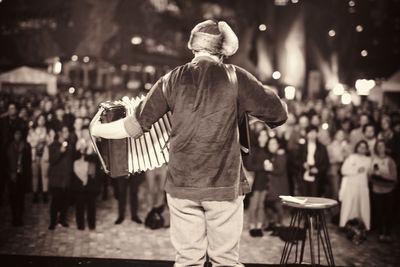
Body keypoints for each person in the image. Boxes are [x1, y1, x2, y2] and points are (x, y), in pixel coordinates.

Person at [92, 20, 287, 267]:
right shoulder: (236, 77)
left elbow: (133, 126)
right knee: (225, 261)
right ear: (222, 50)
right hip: (223, 186)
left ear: (193, 47)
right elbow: (279, 114)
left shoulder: (171, 79)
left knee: (187, 261)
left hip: (182, 184)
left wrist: (97, 129)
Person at [339, 140, 372, 230]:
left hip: (363, 185)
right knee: (348, 204)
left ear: (366, 149)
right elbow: (343, 171)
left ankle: (363, 225)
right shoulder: (351, 157)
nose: (362, 149)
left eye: (364, 147)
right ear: (357, 148)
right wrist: (356, 171)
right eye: (360, 147)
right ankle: (344, 224)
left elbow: (370, 174)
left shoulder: (369, 160)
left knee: (363, 205)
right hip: (351, 184)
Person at [72, 126, 100, 230]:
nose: (85, 135)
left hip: (91, 178)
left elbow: (98, 159)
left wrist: (84, 155)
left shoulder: (95, 144)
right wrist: (81, 151)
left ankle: (91, 224)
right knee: (80, 203)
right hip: (79, 179)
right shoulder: (77, 144)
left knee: (91, 203)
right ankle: (80, 225)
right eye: (83, 133)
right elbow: (73, 157)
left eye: (87, 133)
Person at [370, 140, 397, 243]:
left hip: (389, 190)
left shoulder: (390, 161)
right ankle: (381, 233)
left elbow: (394, 177)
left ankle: (388, 233)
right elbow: (370, 176)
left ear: (386, 147)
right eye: (378, 146)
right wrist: (373, 174)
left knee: (389, 212)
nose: (380, 147)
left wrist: (381, 175)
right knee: (379, 212)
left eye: (382, 145)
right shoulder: (374, 160)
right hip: (377, 190)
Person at [48, 125, 75, 230]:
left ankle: (62, 220)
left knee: (65, 201)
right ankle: (52, 222)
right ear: (59, 133)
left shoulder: (70, 145)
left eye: (67, 132)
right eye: (64, 132)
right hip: (56, 180)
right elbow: (52, 160)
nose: (66, 134)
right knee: (55, 201)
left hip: (66, 179)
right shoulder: (53, 145)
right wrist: (60, 151)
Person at [246, 129, 269, 237]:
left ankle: (259, 227)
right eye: (262, 135)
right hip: (255, 181)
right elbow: (249, 166)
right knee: (253, 206)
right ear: (258, 137)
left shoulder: (268, 150)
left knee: (261, 205)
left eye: (265, 135)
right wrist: (263, 167)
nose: (264, 137)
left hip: (265, 181)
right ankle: (252, 226)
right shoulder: (254, 150)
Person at [5, 129, 31, 226]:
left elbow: (28, 163)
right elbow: (5, 161)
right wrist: (9, 173)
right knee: (13, 198)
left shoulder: (25, 147)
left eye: (19, 134)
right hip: (11, 175)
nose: (18, 136)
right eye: (16, 134)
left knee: (20, 198)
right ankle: (14, 217)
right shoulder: (9, 147)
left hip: (22, 175)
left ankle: (19, 218)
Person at [294, 125, 330, 197]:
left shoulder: (322, 147)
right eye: (310, 133)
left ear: (317, 134)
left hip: (317, 176)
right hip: (303, 174)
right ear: (307, 134)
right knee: (304, 197)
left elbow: (326, 163)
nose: (312, 135)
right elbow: (296, 160)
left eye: (314, 132)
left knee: (315, 197)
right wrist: (303, 165)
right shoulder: (301, 147)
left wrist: (318, 170)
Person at [27, 114, 50, 203]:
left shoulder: (47, 130)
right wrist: (38, 141)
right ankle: (35, 194)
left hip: (44, 154)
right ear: (37, 121)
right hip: (35, 154)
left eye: (43, 119)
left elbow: (49, 141)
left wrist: (44, 140)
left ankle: (45, 194)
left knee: (45, 175)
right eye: (40, 119)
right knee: (35, 175)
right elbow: (29, 141)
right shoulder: (32, 130)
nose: (41, 121)